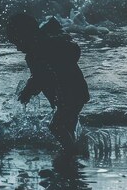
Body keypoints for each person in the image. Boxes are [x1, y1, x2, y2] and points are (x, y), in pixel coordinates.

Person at [6, 13, 90, 153]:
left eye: (18, 42)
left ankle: (72, 153)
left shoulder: (39, 51)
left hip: (69, 94)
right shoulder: (48, 44)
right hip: (77, 92)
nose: (18, 48)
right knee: (67, 125)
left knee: (56, 127)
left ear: (26, 36)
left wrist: (28, 91)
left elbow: (40, 77)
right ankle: (75, 148)